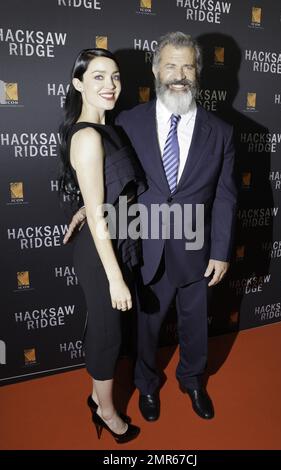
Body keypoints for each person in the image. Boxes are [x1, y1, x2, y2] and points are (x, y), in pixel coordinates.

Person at [64, 32, 237, 422]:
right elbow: (110, 176)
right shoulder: (127, 121)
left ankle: (193, 380)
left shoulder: (222, 131)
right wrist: (83, 208)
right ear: (157, 70)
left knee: (196, 324)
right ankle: (146, 385)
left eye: (188, 66)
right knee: (146, 327)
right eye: (171, 65)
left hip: (197, 247)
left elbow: (226, 195)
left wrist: (222, 250)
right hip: (146, 244)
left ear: (198, 73)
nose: (179, 74)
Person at [59, 48, 145, 443]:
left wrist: (84, 207)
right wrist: (115, 279)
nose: (110, 85)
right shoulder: (89, 135)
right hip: (101, 254)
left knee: (110, 331)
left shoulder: (107, 128)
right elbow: (98, 217)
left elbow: (101, 194)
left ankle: (98, 397)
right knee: (108, 336)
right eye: (97, 77)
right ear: (78, 83)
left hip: (116, 241)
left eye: (114, 76)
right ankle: (106, 411)